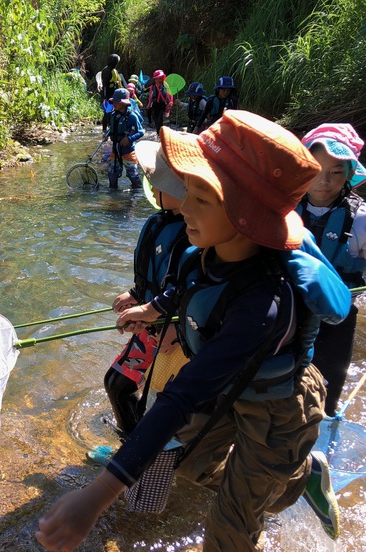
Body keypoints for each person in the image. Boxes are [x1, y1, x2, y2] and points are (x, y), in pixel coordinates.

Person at [36, 110, 351, 551]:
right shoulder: (200, 253)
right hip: (231, 390)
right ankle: (267, 482)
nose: (183, 206)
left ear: (244, 214)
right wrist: (151, 311)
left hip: (279, 408)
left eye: (201, 197)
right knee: (185, 461)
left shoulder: (264, 303)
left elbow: (184, 395)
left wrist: (97, 496)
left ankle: (293, 478)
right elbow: (181, 292)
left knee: (229, 530)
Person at [87, 140, 188, 465]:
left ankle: (135, 458)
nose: (151, 183)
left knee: (123, 386)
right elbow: (160, 278)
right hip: (154, 322)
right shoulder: (164, 221)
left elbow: (185, 287)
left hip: (169, 329)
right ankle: (137, 451)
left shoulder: (192, 232)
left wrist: (171, 326)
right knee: (122, 385)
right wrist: (136, 294)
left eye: (158, 180)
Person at [297, 123, 366, 416]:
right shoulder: (283, 209)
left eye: (336, 172)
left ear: (350, 173)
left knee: (327, 393)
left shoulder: (361, 220)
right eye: (315, 168)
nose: (323, 180)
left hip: (337, 321)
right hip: (291, 314)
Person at [103, 88, 144, 189]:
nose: (114, 104)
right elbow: (111, 129)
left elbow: (141, 132)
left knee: (132, 175)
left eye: (116, 102)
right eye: (114, 102)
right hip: (115, 151)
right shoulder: (113, 115)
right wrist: (106, 134)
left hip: (128, 151)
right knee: (112, 175)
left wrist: (129, 139)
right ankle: (113, 198)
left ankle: (136, 195)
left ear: (124, 103)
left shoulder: (132, 116)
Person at [98, 54, 124, 132]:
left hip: (113, 93)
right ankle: (104, 129)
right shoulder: (107, 70)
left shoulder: (114, 70)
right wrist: (105, 97)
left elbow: (118, 82)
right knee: (107, 111)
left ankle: (112, 128)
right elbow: (105, 85)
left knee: (114, 111)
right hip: (107, 94)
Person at [145, 69, 174, 137]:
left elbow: (170, 95)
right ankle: (159, 134)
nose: (159, 79)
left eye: (160, 77)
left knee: (160, 120)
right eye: (157, 78)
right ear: (155, 79)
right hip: (155, 105)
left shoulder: (165, 85)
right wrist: (149, 105)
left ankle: (161, 135)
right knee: (156, 120)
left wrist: (171, 102)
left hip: (163, 105)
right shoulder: (152, 87)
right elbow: (150, 97)